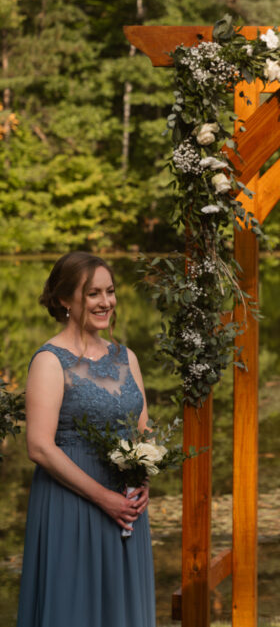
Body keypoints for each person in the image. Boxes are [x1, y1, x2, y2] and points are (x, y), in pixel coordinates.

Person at [17, 252, 155, 627]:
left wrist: (143, 479)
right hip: (73, 504)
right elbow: (40, 447)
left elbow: (144, 429)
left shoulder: (127, 357)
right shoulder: (49, 361)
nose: (105, 302)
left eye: (109, 291)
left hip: (126, 506)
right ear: (65, 299)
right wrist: (103, 498)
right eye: (93, 293)